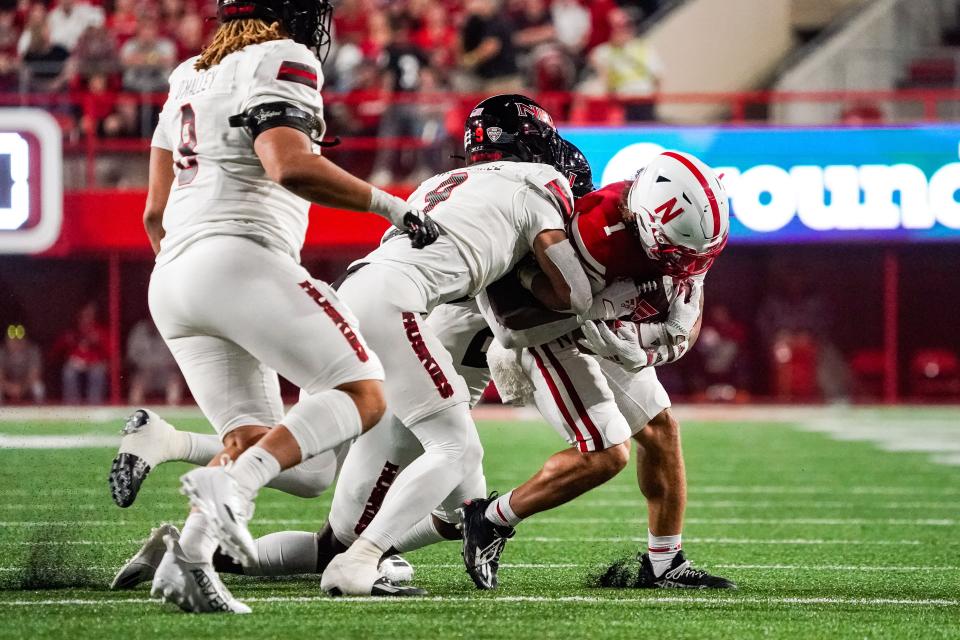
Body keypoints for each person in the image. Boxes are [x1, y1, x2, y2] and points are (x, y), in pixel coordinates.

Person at [121, 0, 439, 614]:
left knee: (274, 450)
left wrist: (192, 270)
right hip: (237, 256)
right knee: (363, 394)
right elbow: (288, 164)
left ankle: (185, 555)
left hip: (174, 279)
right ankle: (227, 494)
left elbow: (153, 215)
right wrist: (392, 207)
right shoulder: (282, 57)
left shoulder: (187, 74)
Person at [584, 8, 662, 121]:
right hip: (621, 104)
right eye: (617, 27)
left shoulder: (644, 48)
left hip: (644, 101)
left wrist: (654, 101)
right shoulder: (605, 51)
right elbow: (594, 61)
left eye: (626, 26)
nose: (622, 30)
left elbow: (658, 77)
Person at [53, 303, 109, 405]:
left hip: (95, 365)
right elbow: (56, 350)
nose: (87, 318)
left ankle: (94, 406)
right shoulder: (73, 330)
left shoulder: (100, 331)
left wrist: (99, 342)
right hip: (76, 365)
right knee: (68, 372)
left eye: (90, 315)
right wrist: (67, 342)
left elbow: (111, 352)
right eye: (84, 315)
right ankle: (72, 407)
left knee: (98, 372)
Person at [126, 318, 183, 406]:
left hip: (165, 372)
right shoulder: (139, 331)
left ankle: (173, 412)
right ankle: (136, 413)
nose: (152, 322)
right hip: (145, 372)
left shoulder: (168, 330)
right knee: (137, 384)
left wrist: (166, 363)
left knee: (175, 382)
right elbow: (132, 355)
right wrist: (146, 365)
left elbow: (177, 354)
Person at [0, 324, 45, 405]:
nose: (16, 343)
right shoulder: (2, 352)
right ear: (7, 341)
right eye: (12, 341)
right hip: (8, 384)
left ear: (25, 340)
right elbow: (0, 375)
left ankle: (39, 410)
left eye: (19, 341)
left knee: (38, 386)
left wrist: (21, 388)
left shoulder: (33, 351)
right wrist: (10, 388)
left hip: (25, 384)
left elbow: (34, 375)